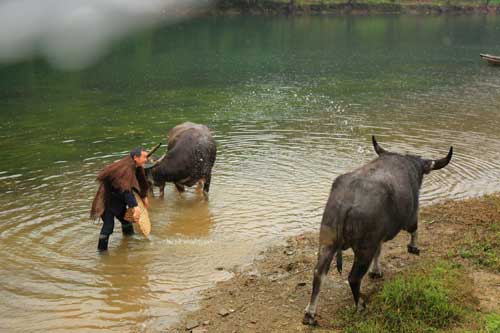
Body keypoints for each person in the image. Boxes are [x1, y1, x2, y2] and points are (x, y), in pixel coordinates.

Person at [90, 147, 149, 251]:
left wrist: (144, 196)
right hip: (108, 201)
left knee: (126, 221)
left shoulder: (137, 166)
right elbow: (126, 190)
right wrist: (135, 207)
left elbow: (142, 181)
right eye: (144, 157)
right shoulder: (125, 169)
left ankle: (129, 240)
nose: (146, 159)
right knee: (108, 227)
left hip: (119, 200)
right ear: (136, 157)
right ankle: (101, 252)